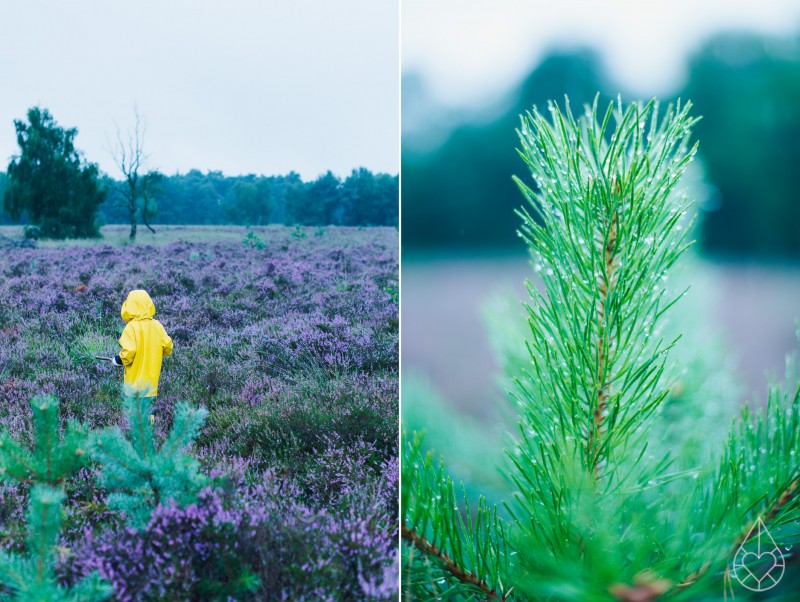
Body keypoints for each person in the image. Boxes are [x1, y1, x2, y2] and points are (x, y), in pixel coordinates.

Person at [111, 289, 173, 397]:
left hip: (134, 386)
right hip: (151, 385)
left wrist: (118, 360)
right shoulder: (157, 325)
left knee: (135, 412)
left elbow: (129, 351)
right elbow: (168, 347)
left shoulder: (131, 327)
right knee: (147, 411)